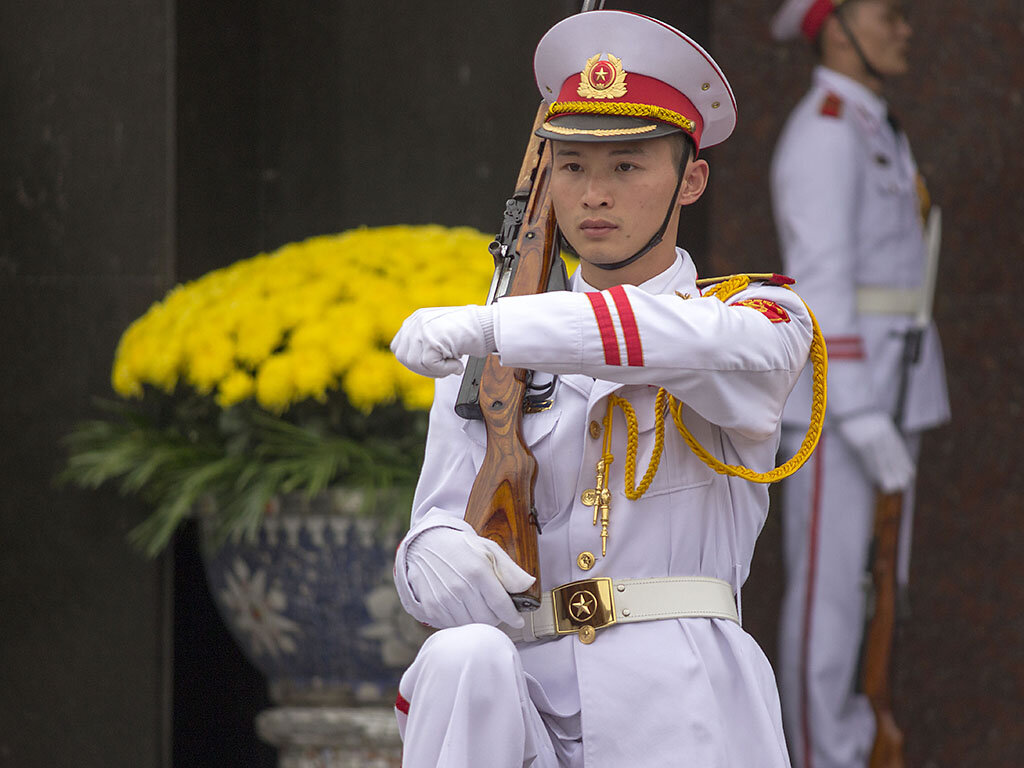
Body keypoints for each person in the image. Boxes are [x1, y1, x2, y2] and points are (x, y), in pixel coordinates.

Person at [388, 10, 816, 768]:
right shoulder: (497, 356)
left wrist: (497, 326)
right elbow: (432, 528)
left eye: (627, 166)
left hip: (681, 706)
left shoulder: (759, 319)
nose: (594, 195)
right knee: (461, 660)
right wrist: (435, 559)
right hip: (525, 706)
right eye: (573, 165)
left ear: (691, 179)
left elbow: (659, 339)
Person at [768, 2, 951, 767]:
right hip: (844, 400)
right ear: (836, 27)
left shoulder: (873, 125)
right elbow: (819, 286)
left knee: (875, 589)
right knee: (832, 600)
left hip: (892, 382)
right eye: (889, 14)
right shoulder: (825, 131)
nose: (904, 29)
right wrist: (860, 409)